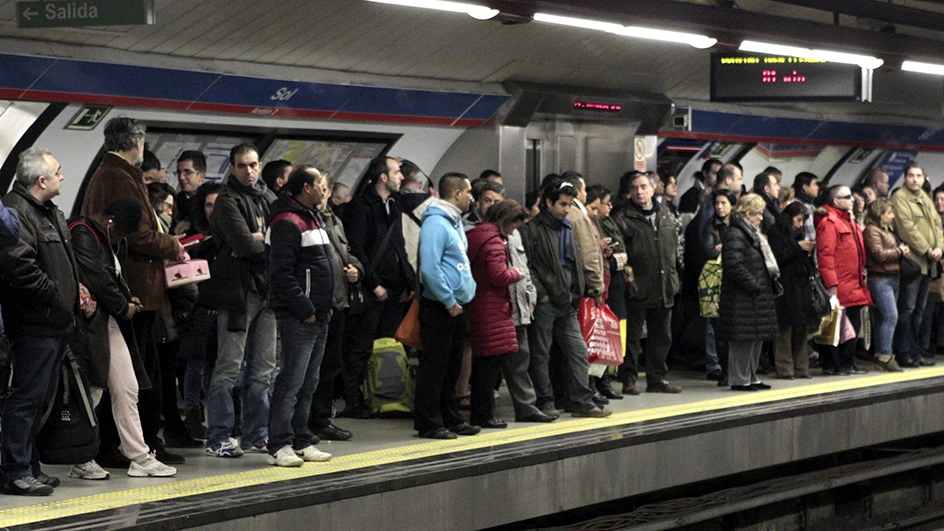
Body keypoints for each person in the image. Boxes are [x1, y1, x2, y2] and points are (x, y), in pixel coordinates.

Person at [83, 117, 187, 467]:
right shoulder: (118, 176)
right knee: (132, 376)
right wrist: (172, 245)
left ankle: (130, 445)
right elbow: (137, 234)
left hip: (129, 286)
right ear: (136, 141)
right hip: (133, 288)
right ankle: (117, 446)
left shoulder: (107, 173)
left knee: (132, 374)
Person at [69, 197, 178, 478]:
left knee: (126, 387)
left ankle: (139, 455)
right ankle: (80, 455)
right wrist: (123, 306)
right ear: (110, 222)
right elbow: (97, 278)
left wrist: (125, 300)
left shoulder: (106, 240)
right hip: (89, 325)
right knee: (91, 391)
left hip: (107, 322)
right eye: (120, 233)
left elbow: (111, 280)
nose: (121, 239)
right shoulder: (83, 232)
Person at [0, 148, 80, 495]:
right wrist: (54, 296)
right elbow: (19, 265)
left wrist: (74, 292)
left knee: (41, 398)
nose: (62, 176)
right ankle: (14, 470)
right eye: (58, 172)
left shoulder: (49, 212)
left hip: (54, 321)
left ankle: (30, 465)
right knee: (25, 398)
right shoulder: (18, 210)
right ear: (41, 180)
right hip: (35, 322)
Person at [201, 143, 278, 458]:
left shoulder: (268, 198)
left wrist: (260, 240)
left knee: (264, 367)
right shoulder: (226, 202)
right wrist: (257, 240)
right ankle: (218, 435)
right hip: (237, 293)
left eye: (254, 165)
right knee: (228, 367)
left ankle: (255, 433)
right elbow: (245, 244)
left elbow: (282, 242)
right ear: (232, 168)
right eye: (243, 166)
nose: (250, 171)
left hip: (266, 291)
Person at [521, 178, 612, 418]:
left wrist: (586, 289)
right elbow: (527, 266)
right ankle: (545, 400)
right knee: (541, 353)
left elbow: (576, 261)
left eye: (569, 204)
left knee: (577, 351)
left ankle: (581, 400)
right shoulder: (531, 230)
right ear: (548, 202)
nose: (566, 209)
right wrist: (541, 294)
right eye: (562, 204)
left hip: (567, 300)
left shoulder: (568, 227)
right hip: (547, 301)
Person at [265, 166, 334, 467]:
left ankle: (300, 439)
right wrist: (305, 309)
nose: (324, 188)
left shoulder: (313, 217)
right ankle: (279, 444)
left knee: (309, 381)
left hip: (320, 314)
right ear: (306, 187)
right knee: (291, 380)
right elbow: (280, 274)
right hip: (299, 316)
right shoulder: (287, 222)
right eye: (320, 183)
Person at [341, 156, 415, 419]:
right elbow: (357, 248)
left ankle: (385, 396)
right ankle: (352, 398)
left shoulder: (394, 205)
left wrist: (409, 282)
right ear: (382, 177)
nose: (401, 177)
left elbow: (400, 246)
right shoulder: (360, 207)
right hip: (372, 288)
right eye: (396, 172)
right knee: (360, 346)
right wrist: (374, 284)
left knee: (388, 346)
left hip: (395, 289)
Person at [414, 172, 480, 439]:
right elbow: (430, 269)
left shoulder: (453, 223)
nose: (471, 198)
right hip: (441, 306)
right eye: (469, 192)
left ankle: (450, 417)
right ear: (456, 194)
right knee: (435, 367)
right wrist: (449, 300)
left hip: (456, 305)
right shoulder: (435, 225)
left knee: (451, 366)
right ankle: (429, 421)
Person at [613, 172, 682, 395]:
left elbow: (673, 247)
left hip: (664, 285)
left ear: (653, 190)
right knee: (632, 338)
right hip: (637, 287)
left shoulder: (665, 214)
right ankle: (629, 379)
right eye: (635, 188)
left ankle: (657, 378)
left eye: (643, 187)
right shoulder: (622, 217)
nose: (639, 192)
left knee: (662, 336)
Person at [465, 201, 530, 428]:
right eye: (513, 226)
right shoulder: (494, 242)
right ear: (505, 220)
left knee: (483, 361)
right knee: (490, 364)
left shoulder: (474, 234)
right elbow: (497, 276)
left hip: (476, 303)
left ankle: (481, 413)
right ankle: (483, 415)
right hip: (491, 307)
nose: (513, 231)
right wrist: (516, 273)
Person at [147, 183, 201, 449]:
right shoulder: (157, 236)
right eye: (167, 206)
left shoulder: (164, 232)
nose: (170, 211)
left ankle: (170, 427)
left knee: (166, 375)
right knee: (164, 376)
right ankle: (166, 430)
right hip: (162, 315)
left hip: (166, 314)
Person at [309, 174, 362, 442]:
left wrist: (357, 269)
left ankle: (321, 420)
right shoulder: (303, 221)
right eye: (318, 187)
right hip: (314, 305)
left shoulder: (334, 220)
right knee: (307, 368)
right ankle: (304, 422)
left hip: (338, 301)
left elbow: (346, 252)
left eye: (325, 188)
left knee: (330, 366)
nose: (322, 193)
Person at [717, 193, 780, 391]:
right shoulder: (736, 233)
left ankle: (751, 376)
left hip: (755, 295)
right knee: (742, 340)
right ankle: (739, 378)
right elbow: (734, 265)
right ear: (746, 213)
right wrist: (754, 285)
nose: (761, 217)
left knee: (755, 338)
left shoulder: (752, 232)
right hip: (743, 295)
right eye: (758, 214)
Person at [176, 182, 224, 441]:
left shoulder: (231, 235)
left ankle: (220, 415)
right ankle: (193, 414)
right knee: (196, 363)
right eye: (208, 205)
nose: (212, 210)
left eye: (217, 205)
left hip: (224, 307)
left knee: (220, 364)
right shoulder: (194, 240)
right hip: (199, 308)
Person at [891, 161, 944, 368]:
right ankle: (903, 352)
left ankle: (915, 351)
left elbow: (938, 226)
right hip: (913, 263)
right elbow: (907, 228)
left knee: (919, 310)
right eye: (911, 176)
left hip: (929, 264)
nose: (915, 180)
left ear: (924, 178)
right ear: (905, 178)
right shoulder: (900, 198)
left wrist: (940, 247)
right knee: (907, 309)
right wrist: (928, 249)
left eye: (919, 176)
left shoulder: (925, 197)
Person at [816, 185, 872, 375]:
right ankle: (838, 363)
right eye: (848, 197)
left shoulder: (850, 222)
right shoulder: (829, 223)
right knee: (840, 327)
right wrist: (831, 284)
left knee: (851, 326)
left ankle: (847, 362)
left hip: (853, 283)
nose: (852, 200)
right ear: (836, 201)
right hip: (840, 285)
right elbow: (825, 255)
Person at [768, 202, 818, 379]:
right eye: (798, 220)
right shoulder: (775, 232)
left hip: (800, 284)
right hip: (785, 285)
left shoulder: (798, 233)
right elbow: (778, 256)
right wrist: (798, 247)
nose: (801, 224)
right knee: (785, 328)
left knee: (801, 327)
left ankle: (801, 367)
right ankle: (785, 368)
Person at [864, 199, 906, 372]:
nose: (892, 216)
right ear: (880, 214)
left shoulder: (885, 230)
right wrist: (900, 251)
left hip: (891, 276)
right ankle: (886, 356)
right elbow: (878, 254)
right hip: (880, 279)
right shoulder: (871, 231)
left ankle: (880, 355)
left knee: (883, 317)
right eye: (889, 213)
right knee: (891, 316)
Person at [701, 190, 737, 384]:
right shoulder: (710, 226)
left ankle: (735, 368)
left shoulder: (738, 224)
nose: (720, 207)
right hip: (717, 281)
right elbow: (708, 249)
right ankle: (723, 369)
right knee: (717, 326)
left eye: (724, 203)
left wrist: (724, 247)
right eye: (717, 203)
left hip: (735, 279)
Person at [921, 186, 944, 357]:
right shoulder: (930, 221)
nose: (939, 203)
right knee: (929, 309)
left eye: (942, 199)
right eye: (936, 199)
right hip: (934, 270)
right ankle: (928, 344)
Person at [173, 150, 207, 234]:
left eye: (187, 172)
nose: (181, 177)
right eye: (178, 172)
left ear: (201, 176)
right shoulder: (175, 201)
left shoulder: (211, 200)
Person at [793, 172, 820, 241]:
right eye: (814, 185)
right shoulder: (802, 206)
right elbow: (811, 234)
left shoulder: (808, 204)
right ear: (805, 187)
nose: (817, 187)